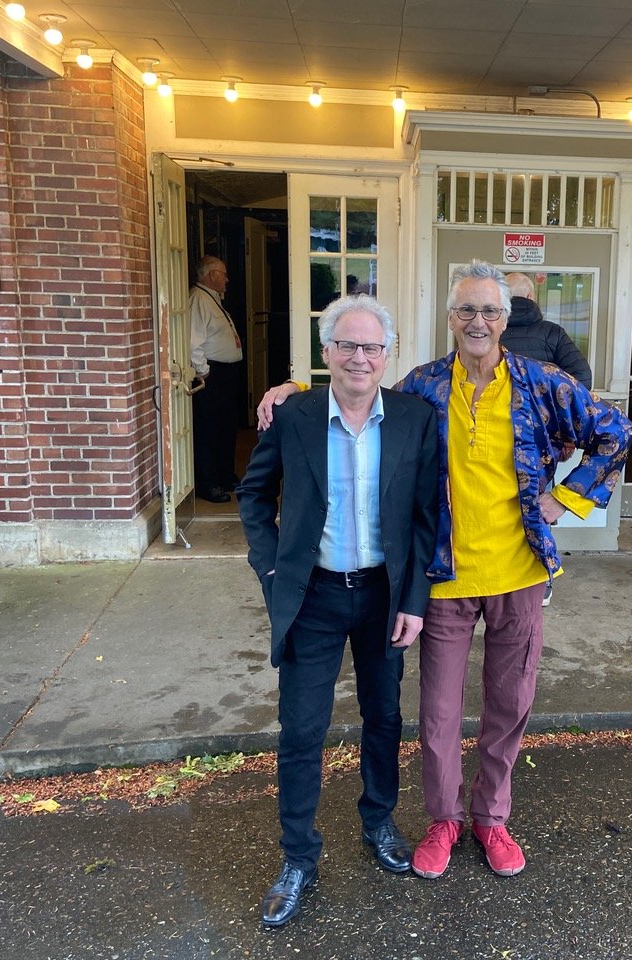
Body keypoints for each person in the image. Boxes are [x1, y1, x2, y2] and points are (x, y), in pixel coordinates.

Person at [254, 261, 632, 880]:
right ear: (450, 318)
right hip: (444, 578)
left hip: (519, 574)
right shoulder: (424, 386)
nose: (477, 321)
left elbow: (615, 432)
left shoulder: (541, 383)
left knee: (509, 708)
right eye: (466, 310)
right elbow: (357, 384)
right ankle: (443, 819)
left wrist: (565, 498)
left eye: (489, 310)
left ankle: (492, 819)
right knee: (437, 716)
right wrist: (294, 388)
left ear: (506, 319)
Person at [237, 295, 440, 929]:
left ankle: (378, 823)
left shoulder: (414, 418)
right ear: (326, 353)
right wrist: (273, 572)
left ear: (388, 355)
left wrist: (414, 600)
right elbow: (252, 495)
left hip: (383, 595)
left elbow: (427, 516)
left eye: (372, 347)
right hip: (313, 598)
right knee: (301, 731)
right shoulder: (294, 415)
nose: (360, 357)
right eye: (347, 345)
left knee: (383, 719)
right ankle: (298, 857)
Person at [189, 255, 244, 503]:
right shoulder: (198, 299)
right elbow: (193, 341)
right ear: (211, 275)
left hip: (226, 374)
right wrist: (204, 371)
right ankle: (209, 483)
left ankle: (225, 475)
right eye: (223, 273)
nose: (227, 279)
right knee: (209, 430)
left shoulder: (213, 300)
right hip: (212, 375)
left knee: (226, 426)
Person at [500, 272, 593, 388]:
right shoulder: (552, 332)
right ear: (530, 296)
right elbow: (582, 378)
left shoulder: (489, 332)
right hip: (542, 405)